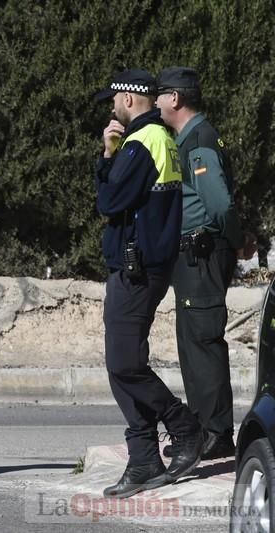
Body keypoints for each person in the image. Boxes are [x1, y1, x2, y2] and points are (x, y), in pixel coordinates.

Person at [93, 69, 204, 498]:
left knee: (124, 364)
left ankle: (183, 428)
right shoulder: (158, 139)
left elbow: (109, 201)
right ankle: (142, 459)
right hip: (142, 265)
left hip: (138, 267)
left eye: (114, 99)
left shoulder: (142, 142)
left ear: (129, 98)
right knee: (120, 363)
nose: (111, 106)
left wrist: (107, 156)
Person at [155, 67, 257, 460]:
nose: (158, 102)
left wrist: (235, 242)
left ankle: (215, 432)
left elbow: (217, 202)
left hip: (203, 253)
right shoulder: (190, 137)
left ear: (174, 99)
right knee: (193, 342)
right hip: (193, 255)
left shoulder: (199, 139)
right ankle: (203, 427)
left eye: (160, 95)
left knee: (203, 342)